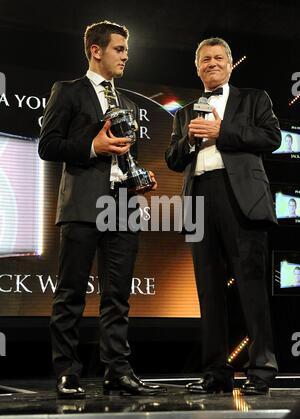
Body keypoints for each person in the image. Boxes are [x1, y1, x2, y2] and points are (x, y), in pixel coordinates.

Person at [39, 20, 165, 398]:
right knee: (71, 293)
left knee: (117, 296)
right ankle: (67, 372)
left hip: (123, 206)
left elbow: (126, 157)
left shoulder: (125, 102)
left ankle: (117, 371)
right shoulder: (69, 92)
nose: (126, 55)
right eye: (119, 49)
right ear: (96, 50)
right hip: (82, 204)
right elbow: (48, 145)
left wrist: (141, 177)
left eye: (126, 50)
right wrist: (92, 146)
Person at [166, 37, 280, 395]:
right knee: (208, 290)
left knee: (251, 286)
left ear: (230, 64)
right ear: (197, 67)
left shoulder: (254, 98)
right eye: (205, 59)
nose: (212, 63)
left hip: (241, 197)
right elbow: (173, 160)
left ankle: (261, 369)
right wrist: (189, 140)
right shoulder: (185, 112)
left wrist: (222, 132)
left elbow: (271, 137)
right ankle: (216, 373)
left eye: (218, 58)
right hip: (198, 197)